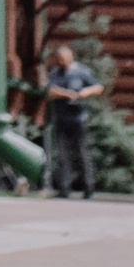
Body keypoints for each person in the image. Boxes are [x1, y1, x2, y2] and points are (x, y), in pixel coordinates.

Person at [42, 35, 99, 197]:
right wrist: (68, 94)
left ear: (70, 57)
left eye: (64, 59)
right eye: (59, 59)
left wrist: (84, 93)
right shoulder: (55, 73)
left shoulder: (81, 72)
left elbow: (98, 86)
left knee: (82, 153)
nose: (62, 62)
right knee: (62, 155)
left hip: (78, 118)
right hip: (62, 118)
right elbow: (50, 91)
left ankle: (88, 188)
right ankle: (64, 188)